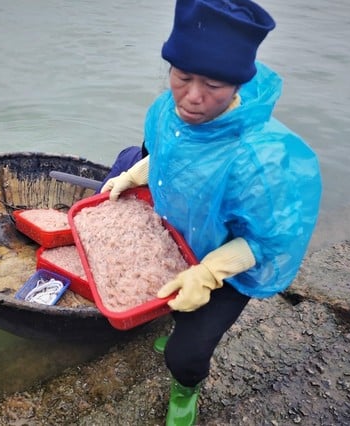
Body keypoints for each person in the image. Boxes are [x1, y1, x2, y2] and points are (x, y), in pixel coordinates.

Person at [100, 0, 322, 424]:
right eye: (183, 78)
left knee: (187, 352)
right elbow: (168, 154)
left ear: (238, 85)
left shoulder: (266, 158)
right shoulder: (166, 110)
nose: (193, 97)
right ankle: (178, 325)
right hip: (181, 236)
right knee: (170, 302)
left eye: (214, 86)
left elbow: (269, 239)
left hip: (231, 259)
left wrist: (208, 272)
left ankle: (187, 389)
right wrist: (133, 175)